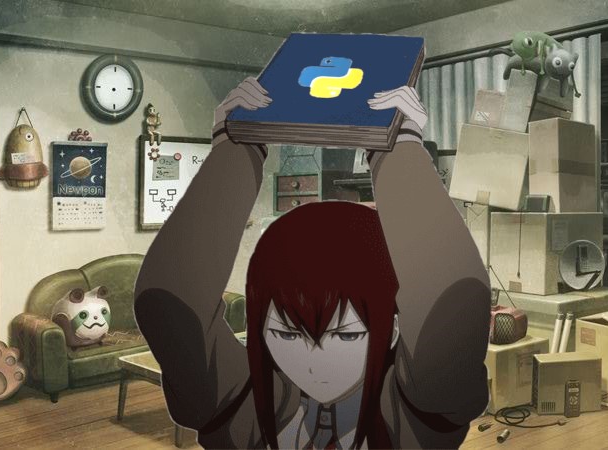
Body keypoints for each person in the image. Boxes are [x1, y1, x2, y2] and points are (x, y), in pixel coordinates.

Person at [134, 76, 490, 449]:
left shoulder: (409, 414)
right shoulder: (245, 405)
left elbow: (453, 302)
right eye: (287, 335)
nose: (314, 364)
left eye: (347, 335)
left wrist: (399, 147)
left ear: (393, 329)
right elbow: (169, 302)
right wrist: (235, 150)